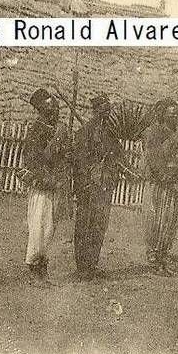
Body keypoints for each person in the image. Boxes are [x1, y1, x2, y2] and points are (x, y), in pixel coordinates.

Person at [22, 88, 70, 286]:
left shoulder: (57, 129)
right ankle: (34, 269)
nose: (55, 110)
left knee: (49, 228)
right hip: (42, 185)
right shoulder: (36, 130)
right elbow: (34, 159)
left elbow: (64, 156)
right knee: (39, 227)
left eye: (56, 106)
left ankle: (43, 269)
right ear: (41, 109)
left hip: (54, 184)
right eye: (50, 107)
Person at [73, 94, 123, 280]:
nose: (107, 111)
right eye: (104, 107)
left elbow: (117, 155)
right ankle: (82, 267)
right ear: (96, 110)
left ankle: (92, 264)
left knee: (100, 225)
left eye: (109, 108)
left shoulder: (110, 133)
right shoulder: (85, 131)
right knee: (84, 225)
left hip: (104, 184)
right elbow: (78, 159)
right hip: (88, 185)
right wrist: (83, 183)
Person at [143, 98, 178, 276]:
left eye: (177, 113)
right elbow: (154, 159)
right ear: (162, 114)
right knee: (158, 222)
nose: (175, 116)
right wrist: (166, 178)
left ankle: (164, 257)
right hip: (161, 184)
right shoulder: (153, 132)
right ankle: (155, 259)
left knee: (171, 223)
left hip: (176, 183)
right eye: (171, 113)